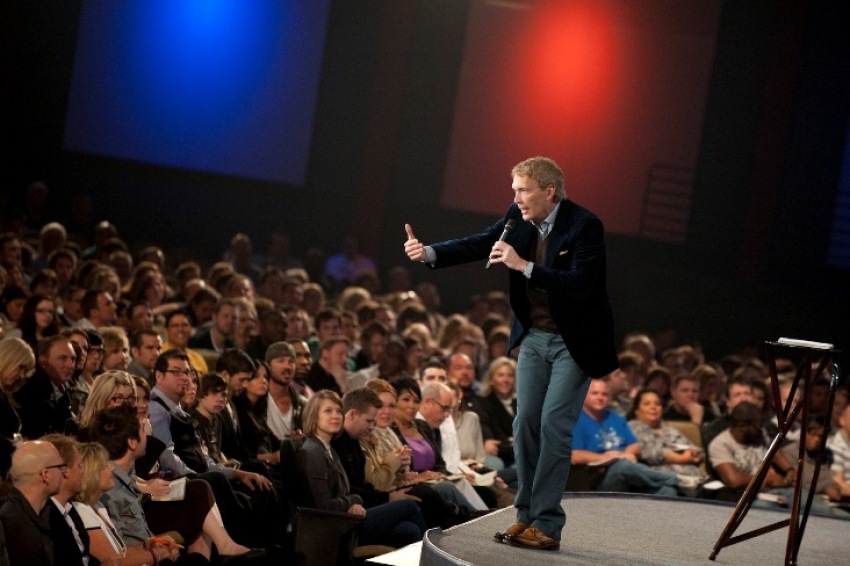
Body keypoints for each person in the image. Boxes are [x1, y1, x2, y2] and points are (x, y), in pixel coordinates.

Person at [404, 156, 618, 551]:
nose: (516, 198)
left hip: (574, 341)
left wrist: (524, 266)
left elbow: (581, 284)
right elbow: (481, 242)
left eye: (523, 190)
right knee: (524, 424)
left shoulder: (585, 225)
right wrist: (429, 253)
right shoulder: (517, 216)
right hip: (535, 336)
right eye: (514, 190)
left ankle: (548, 523)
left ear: (549, 191)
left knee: (554, 425)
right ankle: (524, 516)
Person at [293, 390, 427, 547]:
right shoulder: (313, 451)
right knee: (408, 506)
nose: (336, 416)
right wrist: (355, 500)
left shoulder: (328, 448)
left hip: (346, 517)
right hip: (334, 529)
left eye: (338, 411)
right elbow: (326, 507)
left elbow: (342, 492)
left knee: (408, 530)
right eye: (328, 411)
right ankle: (435, 557)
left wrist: (353, 503)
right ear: (314, 415)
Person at [572, 380, 678, 497]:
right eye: (595, 393)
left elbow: (635, 446)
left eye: (604, 394)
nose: (600, 397)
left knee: (667, 490)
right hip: (597, 478)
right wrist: (607, 457)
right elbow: (575, 456)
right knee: (622, 466)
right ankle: (674, 479)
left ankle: (670, 482)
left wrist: (624, 455)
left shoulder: (615, 417)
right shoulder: (575, 420)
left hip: (628, 472)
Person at [0, 440, 64, 565]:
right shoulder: (17, 528)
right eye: (60, 466)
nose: (64, 471)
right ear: (45, 474)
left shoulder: (38, 513)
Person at [41, 434, 98, 566]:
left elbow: (85, 556)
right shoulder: (46, 517)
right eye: (79, 466)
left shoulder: (69, 509)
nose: (83, 471)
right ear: (65, 470)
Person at [626, 389, 705, 483]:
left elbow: (698, 451)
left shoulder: (670, 430)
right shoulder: (633, 427)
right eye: (647, 404)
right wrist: (683, 458)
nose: (653, 407)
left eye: (657, 404)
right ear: (636, 410)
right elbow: (651, 452)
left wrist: (695, 454)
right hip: (662, 482)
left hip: (696, 479)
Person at [14, 334, 77, 438]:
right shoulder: (30, 392)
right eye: (63, 358)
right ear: (43, 362)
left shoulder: (63, 390)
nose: (71, 365)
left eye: (73, 359)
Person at [0, 338, 35, 474]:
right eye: (21, 367)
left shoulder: (5, 394)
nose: (21, 375)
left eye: (25, 371)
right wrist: (17, 445)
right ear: (8, 359)